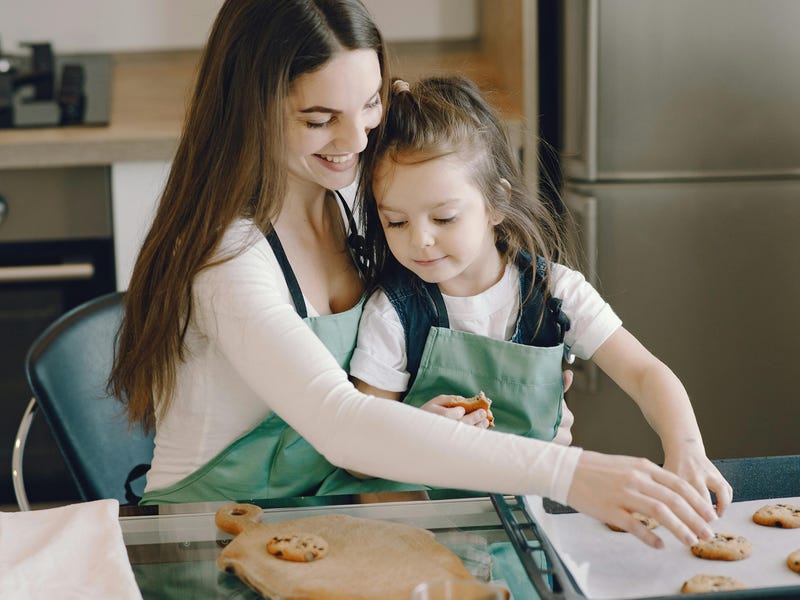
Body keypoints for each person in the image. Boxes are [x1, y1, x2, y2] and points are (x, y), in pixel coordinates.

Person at [109, 0, 725, 549]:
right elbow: (340, 421)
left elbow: (383, 392)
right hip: (202, 539)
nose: (356, 139)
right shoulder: (230, 256)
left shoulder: (362, 204)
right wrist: (572, 473)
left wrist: (452, 415)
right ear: (251, 108)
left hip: (329, 521)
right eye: (320, 119)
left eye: (370, 102)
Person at [327, 74, 731, 514]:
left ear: (495, 203)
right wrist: (415, 428)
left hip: (537, 514)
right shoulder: (393, 314)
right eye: (396, 223)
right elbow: (362, 455)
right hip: (434, 528)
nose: (419, 240)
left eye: (443, 218)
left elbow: (644, 373)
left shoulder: (555, 292)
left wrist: (687, 449)